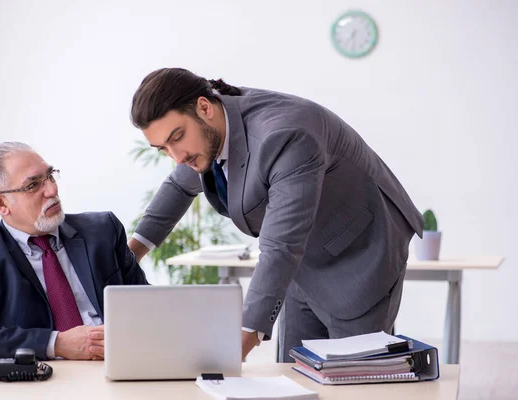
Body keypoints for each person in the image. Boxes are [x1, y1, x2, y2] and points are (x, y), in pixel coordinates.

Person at [127, 68, 423, 362]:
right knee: (295, 369)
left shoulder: (285, 135)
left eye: (177, 138)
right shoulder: (209, 129)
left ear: (204, 107)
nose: (176, 157)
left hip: (359, 253)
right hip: (304, 258)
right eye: (163, 148)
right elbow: (178, 186)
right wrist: (127, 259)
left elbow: (281, 245)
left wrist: (233, 352)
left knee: (353, 378)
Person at [0, 142, 149, 360]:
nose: (52, 190)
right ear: (1, 203)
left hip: (117, 363)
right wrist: (55, 343)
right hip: (41, 379)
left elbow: (147, 304)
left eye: (50, 175)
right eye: (33, 186)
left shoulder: (103, 230)